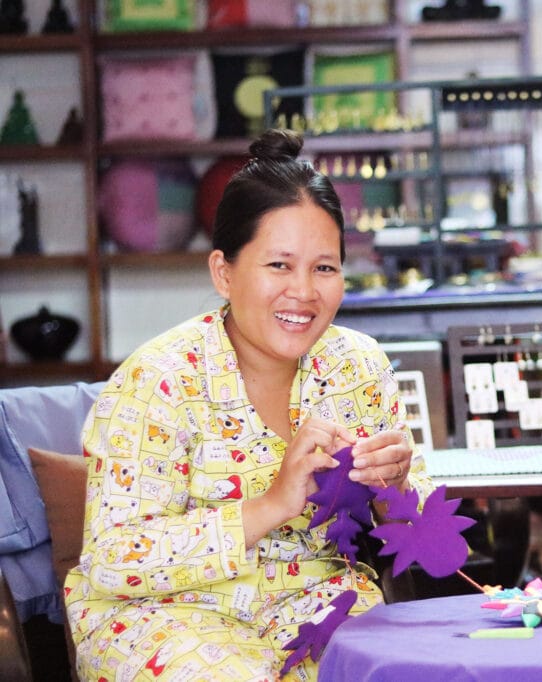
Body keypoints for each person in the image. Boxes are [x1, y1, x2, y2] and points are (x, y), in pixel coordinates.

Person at [63, 129, 433, 681]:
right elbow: (114, 558)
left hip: (318, 606)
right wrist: (271, 504)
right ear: (224, 272)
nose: (304, 292)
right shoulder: (158, 380)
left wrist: (396, 490)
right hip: (168, 618)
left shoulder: (359, 367)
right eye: (279, 265)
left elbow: (420, 541)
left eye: (324, 268)